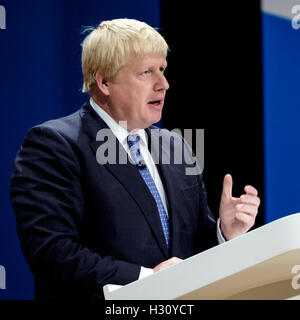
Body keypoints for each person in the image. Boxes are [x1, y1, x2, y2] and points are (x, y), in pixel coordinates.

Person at [9, 18, 260, 300]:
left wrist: (224, 232)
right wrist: (149, 280)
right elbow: (52, 253)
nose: (163, 84)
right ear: (104, 81)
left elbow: (190, 248)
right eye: (146, 72)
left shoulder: (175, 145)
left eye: (163, 70)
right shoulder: (55, 144)